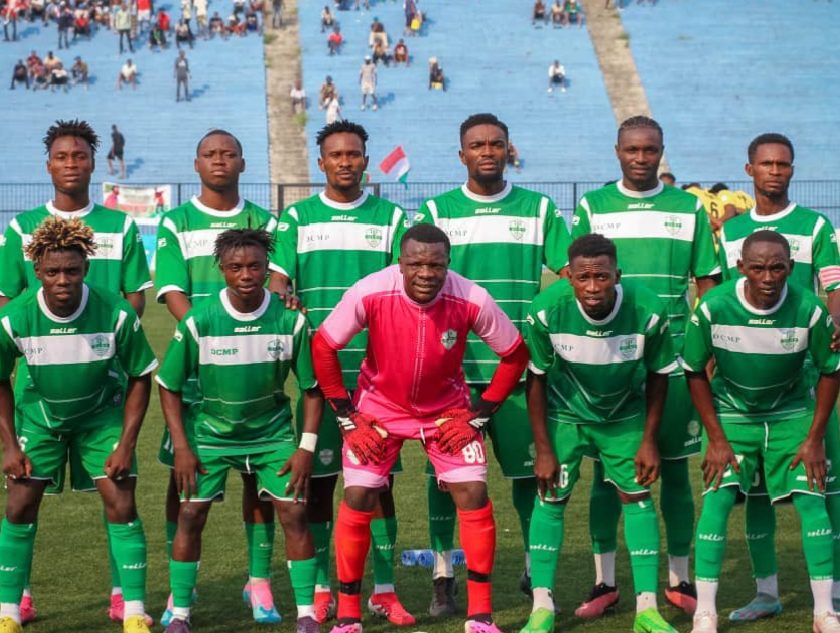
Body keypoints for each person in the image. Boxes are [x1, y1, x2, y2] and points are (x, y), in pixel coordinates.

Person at [311, 223, 530, 633]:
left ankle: (481, 616)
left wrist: (479, 415)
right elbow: (323, 345)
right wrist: (346, 416)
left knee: (473, 491)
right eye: (416, 264)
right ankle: (348, 617)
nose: (426, 273)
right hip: (379, 408)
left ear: (449, 263)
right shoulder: (370, 291)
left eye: (436, 265)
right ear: (400, 262)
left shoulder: (472, 297)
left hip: (446, 411)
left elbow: (515, 354)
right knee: (358, 494)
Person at [400, 113, 570, 617]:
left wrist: (540, 326)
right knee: (443, 481)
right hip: (449, 376)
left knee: (529, 476)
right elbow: (412, 284)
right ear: (462, 155)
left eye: (496, 143)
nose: (488, 151)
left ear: (508, 150)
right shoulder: (437, 211)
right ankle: (442, 576)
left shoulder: (539, 209)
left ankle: (534, 571)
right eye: (477, 145)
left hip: (517, 372)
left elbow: (568, 278)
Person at [0, 125, 152, 629]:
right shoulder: (22, 229)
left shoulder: (120, 227)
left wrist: (101, 341)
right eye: (61, 156)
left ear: (93, 162)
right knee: (23, 497)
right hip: (38, 386)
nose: (71, 163)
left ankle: (124, 597)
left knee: (118, 491)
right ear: (48, 164)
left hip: (102, 381)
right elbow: (7, 303)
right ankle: (16, 598)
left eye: (80, 155)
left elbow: (134, 297)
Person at [570, 115, 720, 618]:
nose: (641, 157)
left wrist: (708, 346)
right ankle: (604, 582)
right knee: (605, 477)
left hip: (671, 360)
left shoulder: (688, 207)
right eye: (632, 149)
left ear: (661, 151)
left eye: (650, 149)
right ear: (617, 151)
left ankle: (679, 579)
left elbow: (707, 282)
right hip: (608, 360)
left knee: (675, 471)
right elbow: (577, 277)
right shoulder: (593, 206)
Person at [269, 120, 414, 626]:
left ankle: (385, 590)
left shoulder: (392, 218)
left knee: (379, 486)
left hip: (381, 377)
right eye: (336, 155)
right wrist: (283, 296)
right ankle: (324, 588)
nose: (345, 162)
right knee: (321, 483)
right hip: (321, 375)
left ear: (365, 161)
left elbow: (407, 283)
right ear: (321, 163)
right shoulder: (297, 218)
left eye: (354, 154)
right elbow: (277, 279)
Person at [158, 229, 323, 633]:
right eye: (235, 267)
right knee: (190, 513)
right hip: (211, 434)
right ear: (221, 269)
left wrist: (305, 448)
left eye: (254, 266)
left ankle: (306, 615)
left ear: (268, 269)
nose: (246, 275)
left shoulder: (291, 320)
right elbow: (168, 386)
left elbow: (312, 389)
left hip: (272, 435)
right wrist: (182, 447)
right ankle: (180, 613)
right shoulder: (200, 319)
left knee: (294, 512)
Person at [153, 130, 287, 628]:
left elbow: (277, 284)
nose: (219, 161)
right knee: (183, 482)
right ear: (196, 163)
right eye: (210, 154)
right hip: (196, 370)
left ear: (243, 163)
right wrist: (208, 339)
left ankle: (259, 582)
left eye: (228, 154)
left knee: (260, 480)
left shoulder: (265, 222)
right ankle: (180, 588)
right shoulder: (176, 221)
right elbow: (172, 291)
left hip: (253, 369)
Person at [682, 230, 840, 633]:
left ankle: (824, 613)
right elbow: (694, 371)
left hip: (791, 413)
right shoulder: (713, 307)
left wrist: (814, 439)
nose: (768, 278)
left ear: (790, 267)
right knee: (718, 501)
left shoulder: (809, 309)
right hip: (732, 415)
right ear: (741, 268)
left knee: (812, 501)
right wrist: (716, 439)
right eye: (758, 268)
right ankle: (706, 613)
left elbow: (830, 370)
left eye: (777, 268)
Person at [520, 234, 678, 633]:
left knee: (637, 496)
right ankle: (542, 608)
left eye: (602, 277)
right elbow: (536, 379)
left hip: (624, 414)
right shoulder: (545, 311)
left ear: (617, 276)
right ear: (569, 277)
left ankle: (647, 609)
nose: (593, 287)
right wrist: (543, 448)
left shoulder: (648, 310)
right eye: (583, 278)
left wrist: (649, 440)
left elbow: (659, 376)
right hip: (566, 413)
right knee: (550, 497)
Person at [716, 133, 840, 623]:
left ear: (792, 169)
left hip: (806, 378)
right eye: (766, 163)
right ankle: (766, 592)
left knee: (826, 487)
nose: (775, 171)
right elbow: (722, 298)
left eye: (783, 164)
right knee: (757, 493)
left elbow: (834, 285)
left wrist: (834, 328)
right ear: (750, 170)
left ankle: (832, 596)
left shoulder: (815, 225)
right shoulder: (730, 232)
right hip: (745, 381)